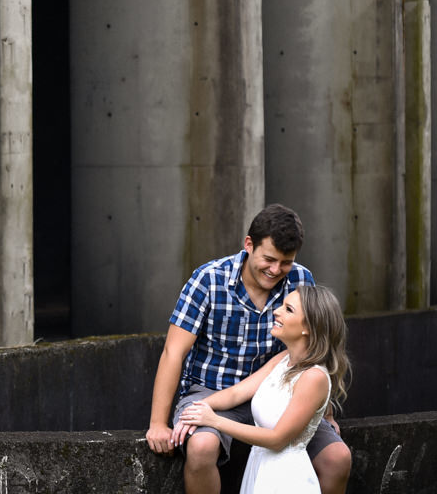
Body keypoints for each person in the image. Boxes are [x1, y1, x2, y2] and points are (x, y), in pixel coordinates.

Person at [144, 204, 351, 494]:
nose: (276, 269)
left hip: (279, 391)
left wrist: (325, 413)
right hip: (213, 388)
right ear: (249, 245)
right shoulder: (208, 280)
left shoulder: (301, 281)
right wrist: (158, 424)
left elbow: (315, 347)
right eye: (269, 259)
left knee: (337, 458)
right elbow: (173, 352)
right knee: (202, 447)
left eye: (286, 262)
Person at [176, 285, 350, 494]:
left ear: (309, 328)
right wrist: (194, 411)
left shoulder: (313, 377)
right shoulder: (282, 359)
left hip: (286, 480)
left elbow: (277, 439)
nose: (276, 311)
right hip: (261, 470)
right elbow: (236, 393)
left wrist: (214, 421)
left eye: (288, 309)